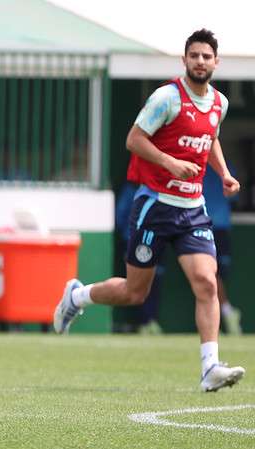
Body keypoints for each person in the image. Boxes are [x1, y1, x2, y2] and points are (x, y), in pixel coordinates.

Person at [53, 29, 245, 392]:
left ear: (216, 62)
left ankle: (209, 368)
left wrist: (224, 174)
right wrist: (170, 162)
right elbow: (134, 139)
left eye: (207, 56)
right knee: (133, 292)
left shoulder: (219, 103)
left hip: (193, 210)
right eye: (194, 55)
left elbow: (211, 138)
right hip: (155, 205)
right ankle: (77, 296)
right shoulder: (166, 98)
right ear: (185, 60)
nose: (200, 61)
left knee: (206, 282)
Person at [115, 182, 164, 335]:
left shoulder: (164, 192)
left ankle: (151, 320)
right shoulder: (131, 191)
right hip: (133, 242)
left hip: (156, 241)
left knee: (155, 282)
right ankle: (143, 322)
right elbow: (119, 217)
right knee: (135, 285)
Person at [203, 166, 243, 335]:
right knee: (208, 274)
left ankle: (224, 313)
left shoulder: (227, 169)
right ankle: (224, 313)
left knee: (213, 274)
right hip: (201, 225)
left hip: (217, 227)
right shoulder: (195, 166)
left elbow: (234, 196)